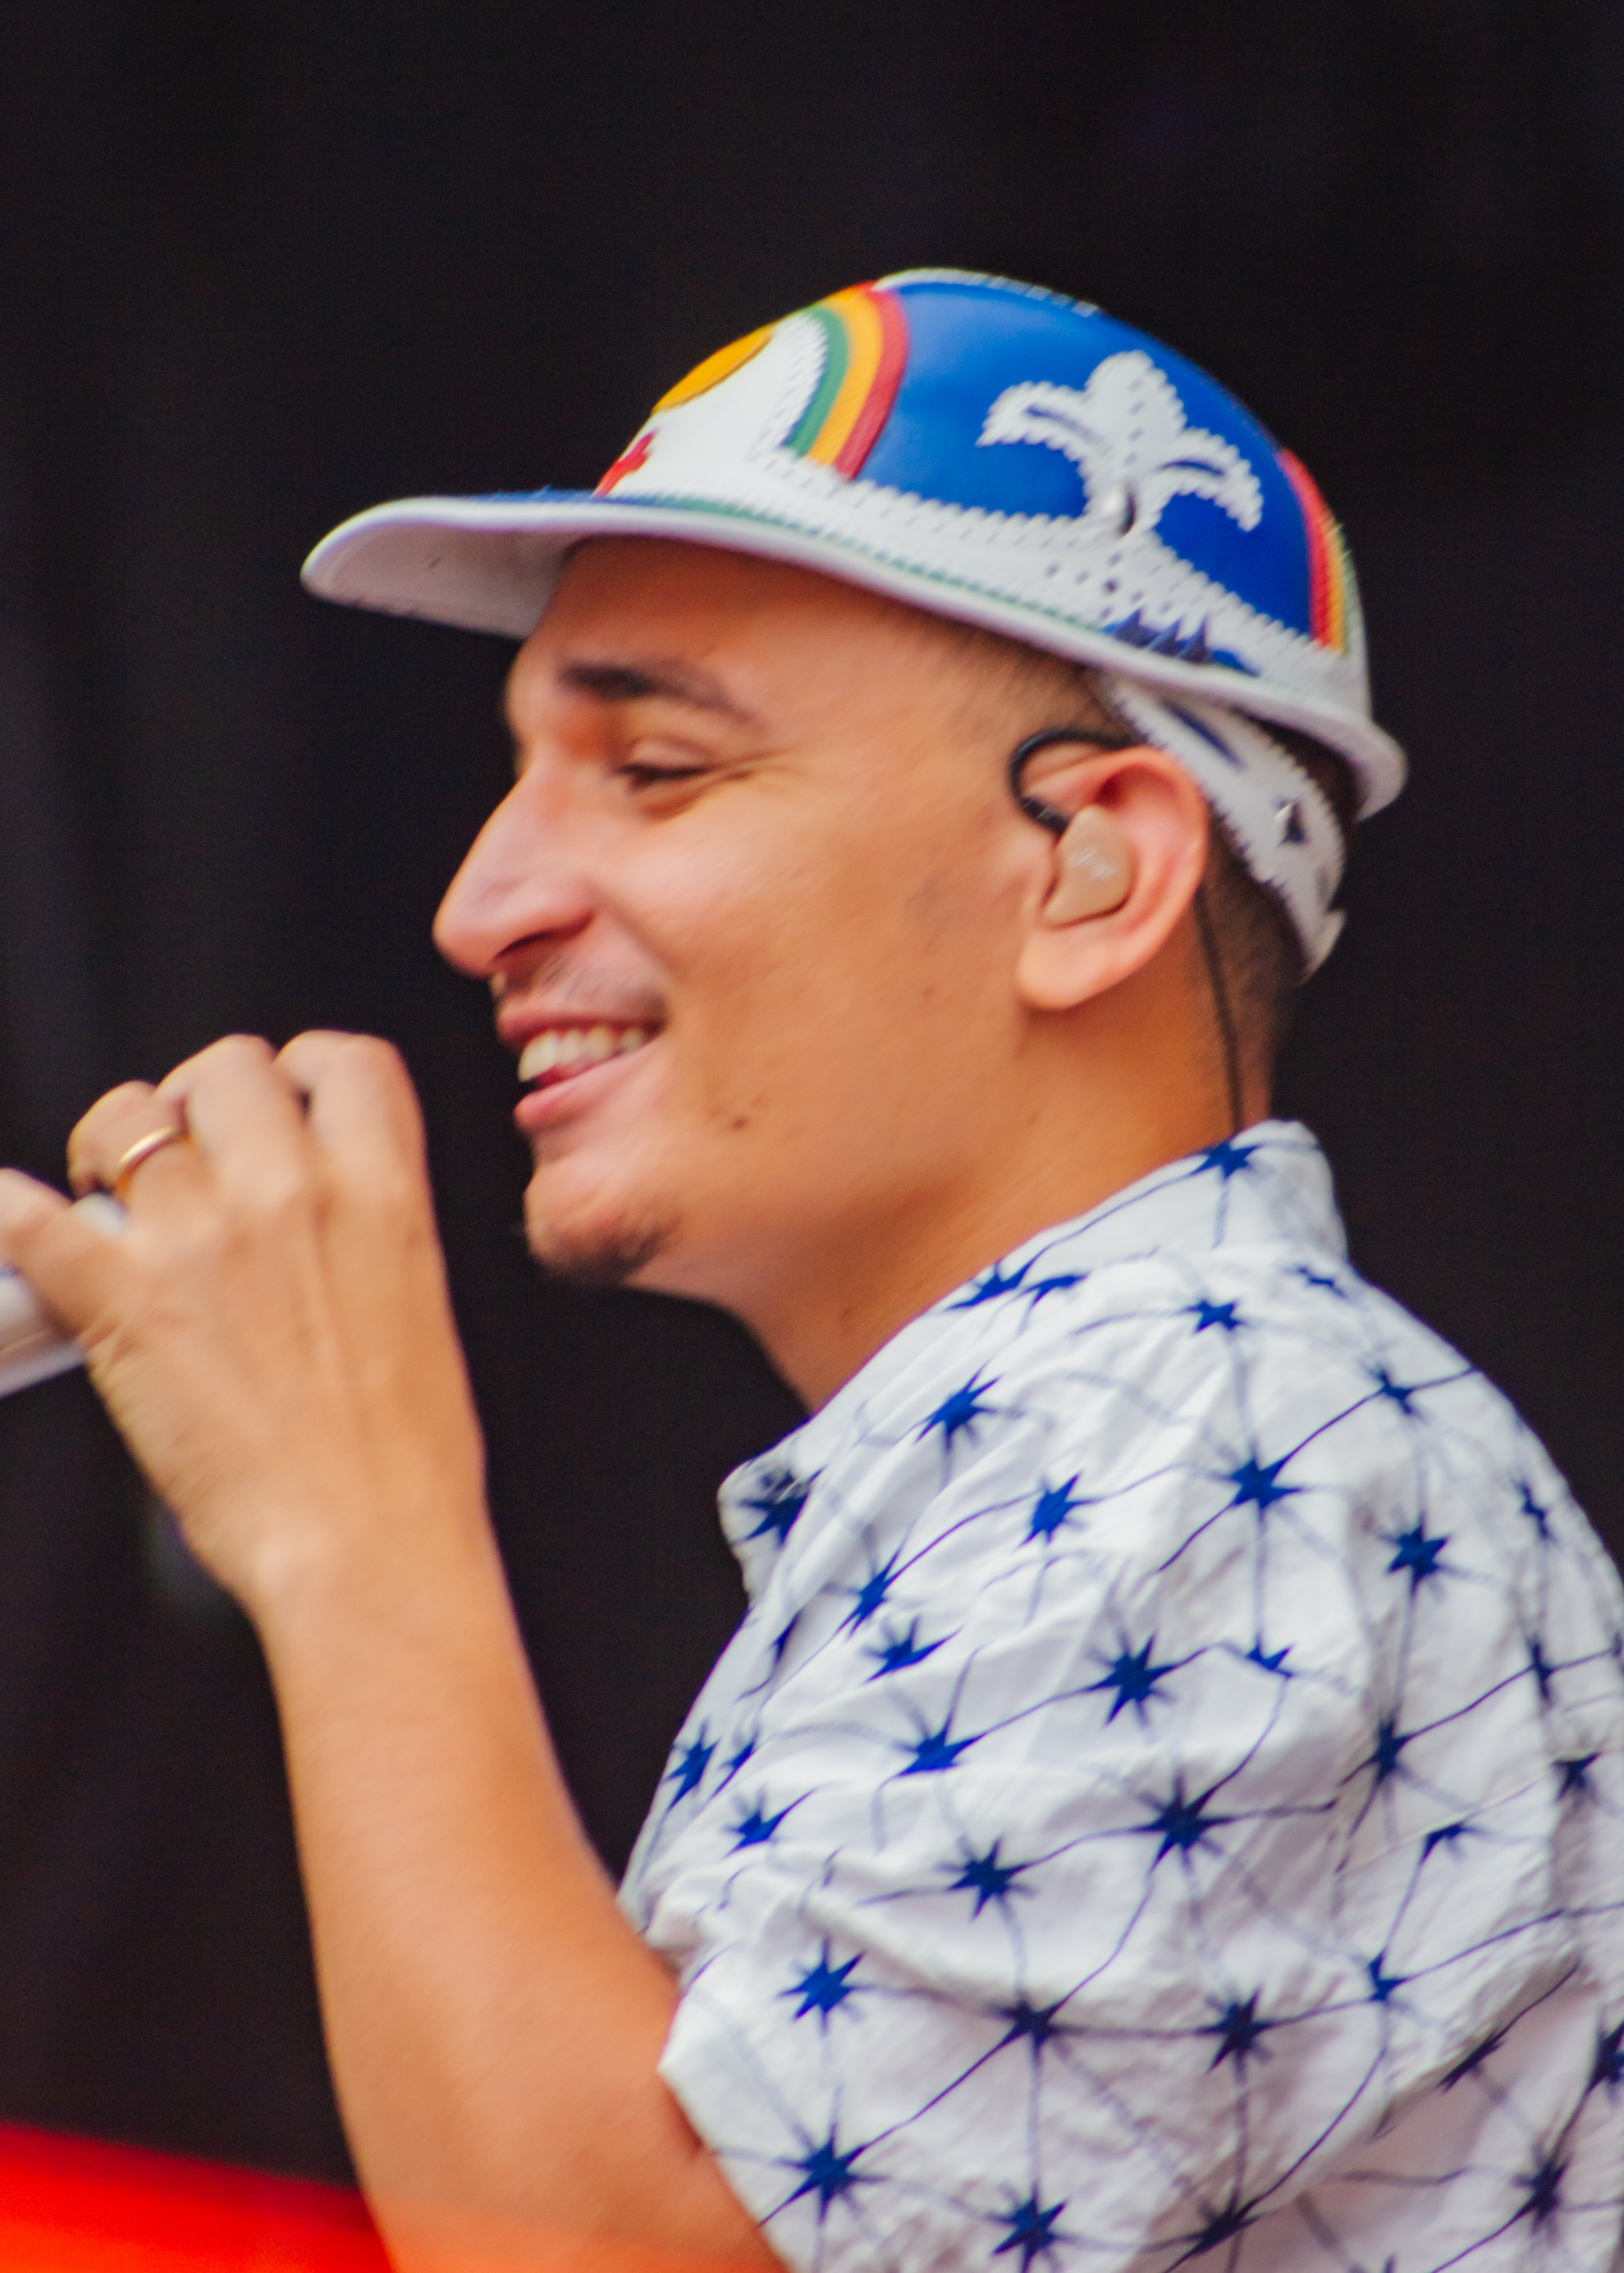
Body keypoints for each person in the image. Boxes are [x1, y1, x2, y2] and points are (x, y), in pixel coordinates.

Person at [0, 270, 1619, 2273]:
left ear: (1091, 870)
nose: (481, 902)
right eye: (523, 773)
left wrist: (350, 1519)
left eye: (656, 769)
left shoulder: (1219, 1440)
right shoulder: (1108, 1443)